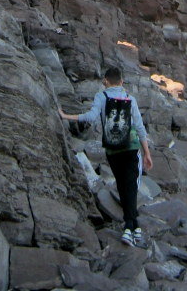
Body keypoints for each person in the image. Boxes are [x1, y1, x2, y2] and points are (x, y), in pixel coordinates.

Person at [59, 66, 153, 246]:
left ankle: (132, 225)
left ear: (105, 81)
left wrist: (66, 116)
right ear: (122, 82)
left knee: (121, 185)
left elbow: (91, 117)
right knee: (131, 186)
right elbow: (140, 128)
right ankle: (131, 226)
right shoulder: (130, 99)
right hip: (131, 147)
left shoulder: (101, 96)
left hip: (112, 149)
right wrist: (147, 153)